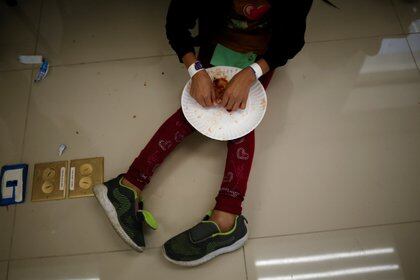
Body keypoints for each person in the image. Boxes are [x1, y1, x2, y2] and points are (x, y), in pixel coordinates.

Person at [93, 0, 313, 266]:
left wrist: (251, 73)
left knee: (241, 116)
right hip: (218, 42)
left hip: (263, 54)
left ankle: (224, 216)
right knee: (197, 107)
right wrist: (196, 71)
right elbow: (176, 25)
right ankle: (129, 187)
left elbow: (291, 40)